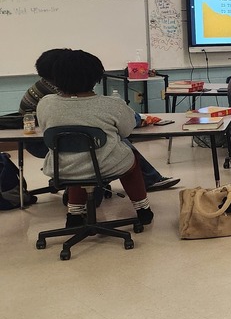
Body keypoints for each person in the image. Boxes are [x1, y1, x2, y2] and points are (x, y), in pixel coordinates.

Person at [20, 48, 179, 191]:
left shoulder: (49, 94)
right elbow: (91, 116)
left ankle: (84, 198)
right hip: (47, 143)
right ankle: (146, 187)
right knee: (116, 139)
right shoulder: (56, 94)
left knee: (100, 135)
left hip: (54, 143)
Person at [36, 50, 155, 228]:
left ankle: (74, 215)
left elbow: (47, 129)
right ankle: (143, 209)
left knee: (76, 160)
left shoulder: (46, 103)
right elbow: (127, 130)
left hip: (62, 167)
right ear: (97, 77)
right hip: (104, 166)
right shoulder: (112, 104)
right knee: (132, 161)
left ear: (55, 78)